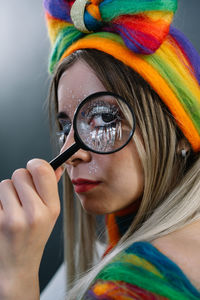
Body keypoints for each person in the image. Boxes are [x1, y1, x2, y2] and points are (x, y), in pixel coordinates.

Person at [0, 0, 200, 299]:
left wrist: (16, 276)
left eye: (104, 118)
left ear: (182, 130)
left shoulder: (135, 285)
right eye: (65, 127)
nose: (72, 152)